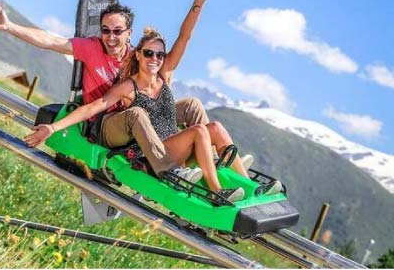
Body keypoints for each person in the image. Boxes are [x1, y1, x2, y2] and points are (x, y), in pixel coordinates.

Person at [0, 0, 255, 184]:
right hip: (104, 123)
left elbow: (183, 39)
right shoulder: (91, 47)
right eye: (105, 30)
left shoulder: (139, 57)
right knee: (138, 115)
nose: (110, 37)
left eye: (117, 31)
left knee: (191, 105)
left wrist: (199, 2)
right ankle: (169, 174)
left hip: (136, 120)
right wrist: (10, 26)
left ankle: (225, 168)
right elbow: (49, 40)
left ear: (129, 33)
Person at [26, 27, 249, 202]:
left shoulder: (164, 77)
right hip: (155, 158)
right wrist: (53, 127)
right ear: (139, 55)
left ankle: (248, 185)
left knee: (211, 123)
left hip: (172, 144)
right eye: (149, 53)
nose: (155, 58)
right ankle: (216, 191)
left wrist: (199, 2)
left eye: (160, 54)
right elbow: (94, 107)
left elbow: (184, 37)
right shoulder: (127, 87)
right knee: (199, 131)